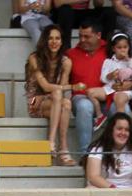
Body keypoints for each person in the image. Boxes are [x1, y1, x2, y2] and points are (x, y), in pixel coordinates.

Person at [25, 25, 76, 166]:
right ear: (45, 41)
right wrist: (72, 87)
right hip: (35, 101)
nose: (54, 42)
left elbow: (62, 90)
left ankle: (61, 147)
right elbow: (45, 87)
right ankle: (54, 143)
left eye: (57, 38)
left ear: (62, 41)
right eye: (50, 38)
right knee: (59, 95)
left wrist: (62, 89)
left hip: (55, 102)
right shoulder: (34, 58)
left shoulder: (66, 62)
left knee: (66, 103)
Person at [66, 22, 108, 155]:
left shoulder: (110, 50)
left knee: (124, 109)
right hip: (80, 98)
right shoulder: (70, 54)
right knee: (85, 106)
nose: (82, 40)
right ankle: (86, 155)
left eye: (87, 36)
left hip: (105, 97)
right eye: (80, 36)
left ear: (98, 35)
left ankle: (120, 155)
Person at [83, 111, 132, 187]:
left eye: (127, 130)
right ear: (111, 130)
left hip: (130, 194)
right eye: (119, 129)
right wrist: (115, 191)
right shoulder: (97, 149)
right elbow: (93, 177)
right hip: (104, 192)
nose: (123, 133)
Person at [97, 32, 132, 121]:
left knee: (120, 100)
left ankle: (119, 122)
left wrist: (128, 60)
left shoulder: (131, 61)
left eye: (125, 47)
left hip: (125, 91)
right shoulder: (108, 61)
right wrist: (110, 75)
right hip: (109, 89)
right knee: (91, 92)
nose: (123, 50)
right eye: (119, 47)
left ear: (129, 47)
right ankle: (99, 116)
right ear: (113, 48)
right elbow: (102, 78)